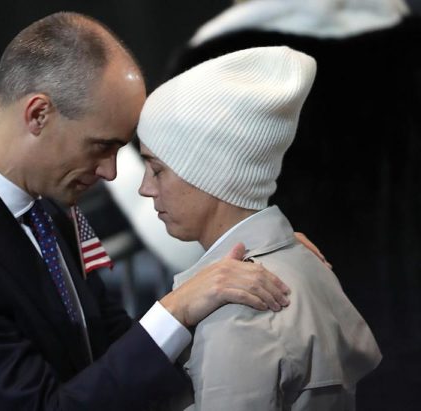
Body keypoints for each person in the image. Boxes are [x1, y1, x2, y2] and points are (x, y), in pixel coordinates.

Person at [0, 12, 294, 411]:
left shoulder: (44, 204)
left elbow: (105, 339)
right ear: (38, 114)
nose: (111, 172)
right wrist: (177, 308)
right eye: (101, 146)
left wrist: (234, 279)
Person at [137, 46, 382, 410]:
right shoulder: (305, 263)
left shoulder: (239, 311)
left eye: (157, 169)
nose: (145, 187)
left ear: (211, 174)